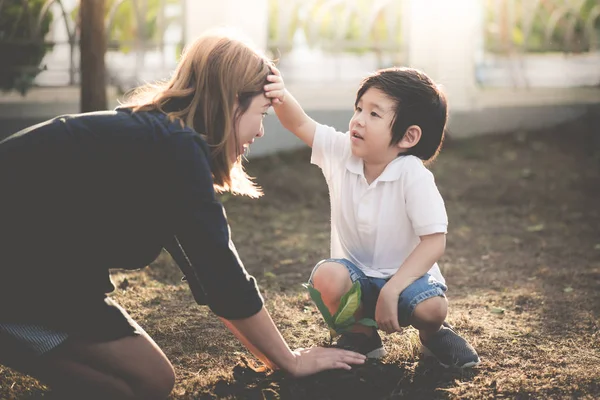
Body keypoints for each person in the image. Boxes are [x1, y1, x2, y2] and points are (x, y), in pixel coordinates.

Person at [0, 31, 366, 400]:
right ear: (232, 101)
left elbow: (211, 280)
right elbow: (221, 273)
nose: (259, 130)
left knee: (148, 381)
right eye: (262, 113)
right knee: (148, 380)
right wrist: (292, 361)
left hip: (43, 270)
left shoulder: (162, 140)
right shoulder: (174, 147)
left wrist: (279, 358)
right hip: (21, 267)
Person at [264, 66, 480, 368]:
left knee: (432, 309)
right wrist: (279, 92)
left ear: (408, 136)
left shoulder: (413, 176)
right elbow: (299, 123)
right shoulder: (342, 153)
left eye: (374, 114)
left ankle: (433, 337)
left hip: (405, 281)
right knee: (326, 276)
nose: (358, 120)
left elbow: (434, 243)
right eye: (359, 108)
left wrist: (393, 289)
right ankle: (363, 336)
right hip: (356, 277)